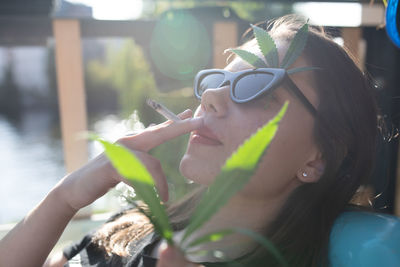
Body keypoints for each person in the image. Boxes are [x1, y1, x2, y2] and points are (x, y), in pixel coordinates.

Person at [0, 14, 379, 267]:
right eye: (215, 82)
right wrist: (63, 198)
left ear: (319, 158)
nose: (211, 98)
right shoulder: (132, 224)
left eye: (260, 89)